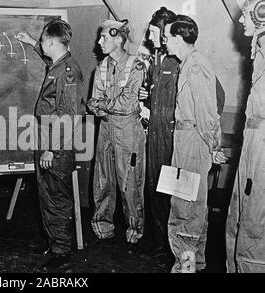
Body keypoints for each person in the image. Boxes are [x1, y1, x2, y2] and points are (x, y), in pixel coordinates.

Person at [15, 19, 86, 271]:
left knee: (57, 198)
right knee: (46, 196)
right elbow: (48, 62)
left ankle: (61, 252)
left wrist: (51, 149)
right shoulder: (57, 64)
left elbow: (69, 116)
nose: (42, 44)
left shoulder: (68, 72)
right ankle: (53, 242)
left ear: (53, 42)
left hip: (56, 147)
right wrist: (32, 43)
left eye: (44, 40)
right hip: (47, 141)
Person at [163, 15, 227, 273]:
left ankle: (185, 265)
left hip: (192, 139)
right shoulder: (189, 64)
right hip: (185, 138)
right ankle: (194, 263)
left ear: (179, 39)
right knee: (188, 202)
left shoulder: (196, 65)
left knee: (185, 205)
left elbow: (207, 111)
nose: (164, 42)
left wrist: (214, 145)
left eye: (167, 37)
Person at [87, 19, 146, 253]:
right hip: (106, 129)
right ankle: (102, 226)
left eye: (104, 38)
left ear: (119, 39)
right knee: (102, 180)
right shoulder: (100, 67)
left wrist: (102, 104)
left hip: (127, 131)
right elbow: (93, 104)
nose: (99, 42)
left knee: (129, 182)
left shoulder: (136, 65)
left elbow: (128, 104)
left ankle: (135, 230)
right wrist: (103, 105)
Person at [226, 0, 265, 273]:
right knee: (239, 215)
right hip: (253, 142)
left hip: (261, 147)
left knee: (254, 222)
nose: (240, 21)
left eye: (245, 16)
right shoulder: (260, 51)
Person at [138, 7, 179, 259]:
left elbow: (215, 97)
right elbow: (157, 96)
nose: (150, 37)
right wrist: (147, 97)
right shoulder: (156, 60)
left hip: (171, 137)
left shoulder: (180, 61)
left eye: (154, 32)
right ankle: (160, 245)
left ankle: (173, 247)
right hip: (154, 134)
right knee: (154, 189)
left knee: (171, 192)